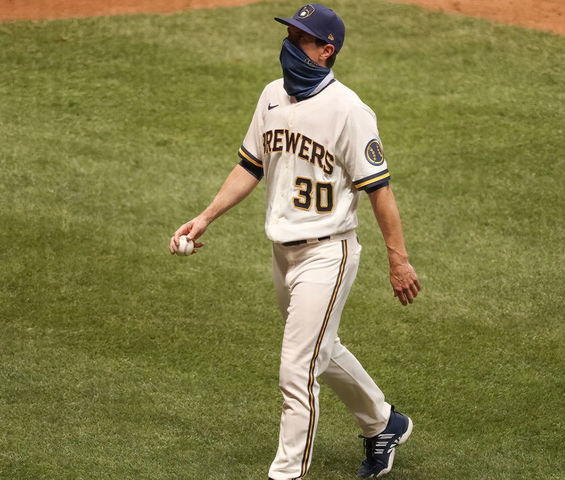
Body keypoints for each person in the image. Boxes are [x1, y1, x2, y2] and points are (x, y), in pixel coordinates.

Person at [169, 3, 421, 478]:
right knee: (320, 351)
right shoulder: (271, 97)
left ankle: (286, 473)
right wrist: (205, 217)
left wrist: (399, 261)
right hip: (282, 255)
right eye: (289, 36)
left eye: (300, 39)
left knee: (296, 368)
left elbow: (380, 192)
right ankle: (383, 423)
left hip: (328, 252)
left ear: (326, 51)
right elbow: (250, 167)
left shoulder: (350, 111)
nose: (289, 46)